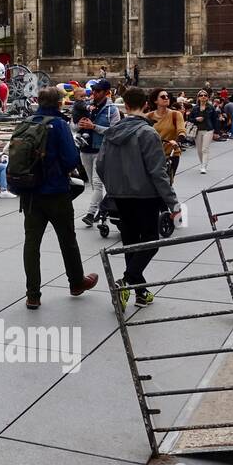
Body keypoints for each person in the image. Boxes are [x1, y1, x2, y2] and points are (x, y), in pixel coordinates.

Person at [14, 88, 99, 310]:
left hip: (30, 194)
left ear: (39, 102)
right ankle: (76, 282)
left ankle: (33, 295)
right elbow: (71, 159)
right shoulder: (59, 124)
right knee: (67, 239)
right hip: (56, 192)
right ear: (59, 103)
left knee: (31, 244)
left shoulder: (27, 122)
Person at [97, 86, 181, 307]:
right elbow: (158, 172)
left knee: (131, 243)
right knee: (151, 243)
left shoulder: (112, 133)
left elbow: (100, 165)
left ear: (125, 106)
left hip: (121, 196)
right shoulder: (148, 133)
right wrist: (172, 202)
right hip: (145, 196)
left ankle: (141, 293)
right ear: (146, 105)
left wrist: (113, 187)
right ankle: (125, 282)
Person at [78, 78, 119, 225]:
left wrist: (94, 127)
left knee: (97, 182)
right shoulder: (87, 107)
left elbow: (115, 131)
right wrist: (78, 125)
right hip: (85, 149)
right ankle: (102, 210)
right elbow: (74, 125)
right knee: (94, 184)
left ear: (107, 93)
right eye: (93, 90)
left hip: (101, 150)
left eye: (98, 91)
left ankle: (90, 213)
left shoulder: (112, 110)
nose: (94, 93)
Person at [150, 89, 186, 182]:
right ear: (155, 101)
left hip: (171, 154)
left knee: (166, 183)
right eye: (163, 97)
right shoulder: (148, 116)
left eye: (167, 96)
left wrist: (177, 142)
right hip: (153, 155)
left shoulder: (176, 114)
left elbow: (181, 131)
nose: (166, 98)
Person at [188, 91, 220, 174]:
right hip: (197, 130)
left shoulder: (211, 107)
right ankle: (202, 163)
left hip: (208, 130)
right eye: (201, 95)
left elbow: (215, 120)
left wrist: (216, 132)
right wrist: (196, 119)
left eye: (205, 95)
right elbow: (190, 119)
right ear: (198, 97)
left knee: (205, 149)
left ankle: (203, 166)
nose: (203, 97)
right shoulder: (195, 108)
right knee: (199, 150)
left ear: (207, 97)